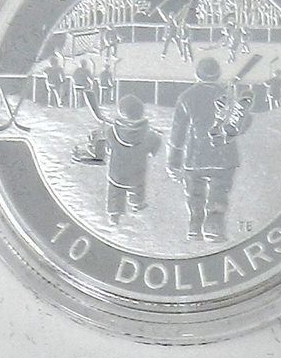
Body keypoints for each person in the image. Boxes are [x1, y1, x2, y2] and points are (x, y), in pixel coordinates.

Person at [166, 57, 251, 242]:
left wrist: (173, 161)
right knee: (220, 192)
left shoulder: (186, 97)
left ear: (197, 75)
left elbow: (178, 132)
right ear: (218, 74)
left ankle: (195, 225)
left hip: (195, 156)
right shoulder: (229, 96)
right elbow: (242, 126)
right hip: (224, 155)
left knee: (195, 193)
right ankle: (214, 225)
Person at [104, 95, 161, 224]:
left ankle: (114, 214)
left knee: (115, 189)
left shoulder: (111, 131)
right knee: (138, 186)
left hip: (117, 170)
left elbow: (108, 148)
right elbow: (154, 147)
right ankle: (137, 203)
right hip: (137, 171)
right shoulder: (149, 133)